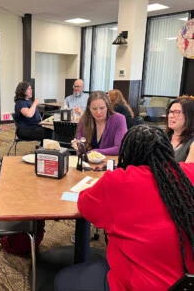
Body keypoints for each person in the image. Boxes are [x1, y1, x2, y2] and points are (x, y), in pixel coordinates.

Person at [55, 125, 194, 291]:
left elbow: (85, 206)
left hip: (137, 284)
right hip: (185, 283)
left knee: (64, 279)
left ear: (127, 153)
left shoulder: (119, 181)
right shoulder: (189, 173)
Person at [72, 91, 127, 156]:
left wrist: (95, 152)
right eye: (94, 109)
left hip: (110, 163)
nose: (98, 112)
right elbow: (80, 149)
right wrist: (78, 147)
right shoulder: (84, 120)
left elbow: (119, 148)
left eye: (102, 108)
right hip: (87, 163)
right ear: (89, 108)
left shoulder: (119, 119)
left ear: (107, 107)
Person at [165, 96, 194, 163]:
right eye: (170, 111)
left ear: (189, 116)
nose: (171, 116)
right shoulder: (162, 136)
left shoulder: (192, 143)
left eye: (177, 112)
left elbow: (187, 172)